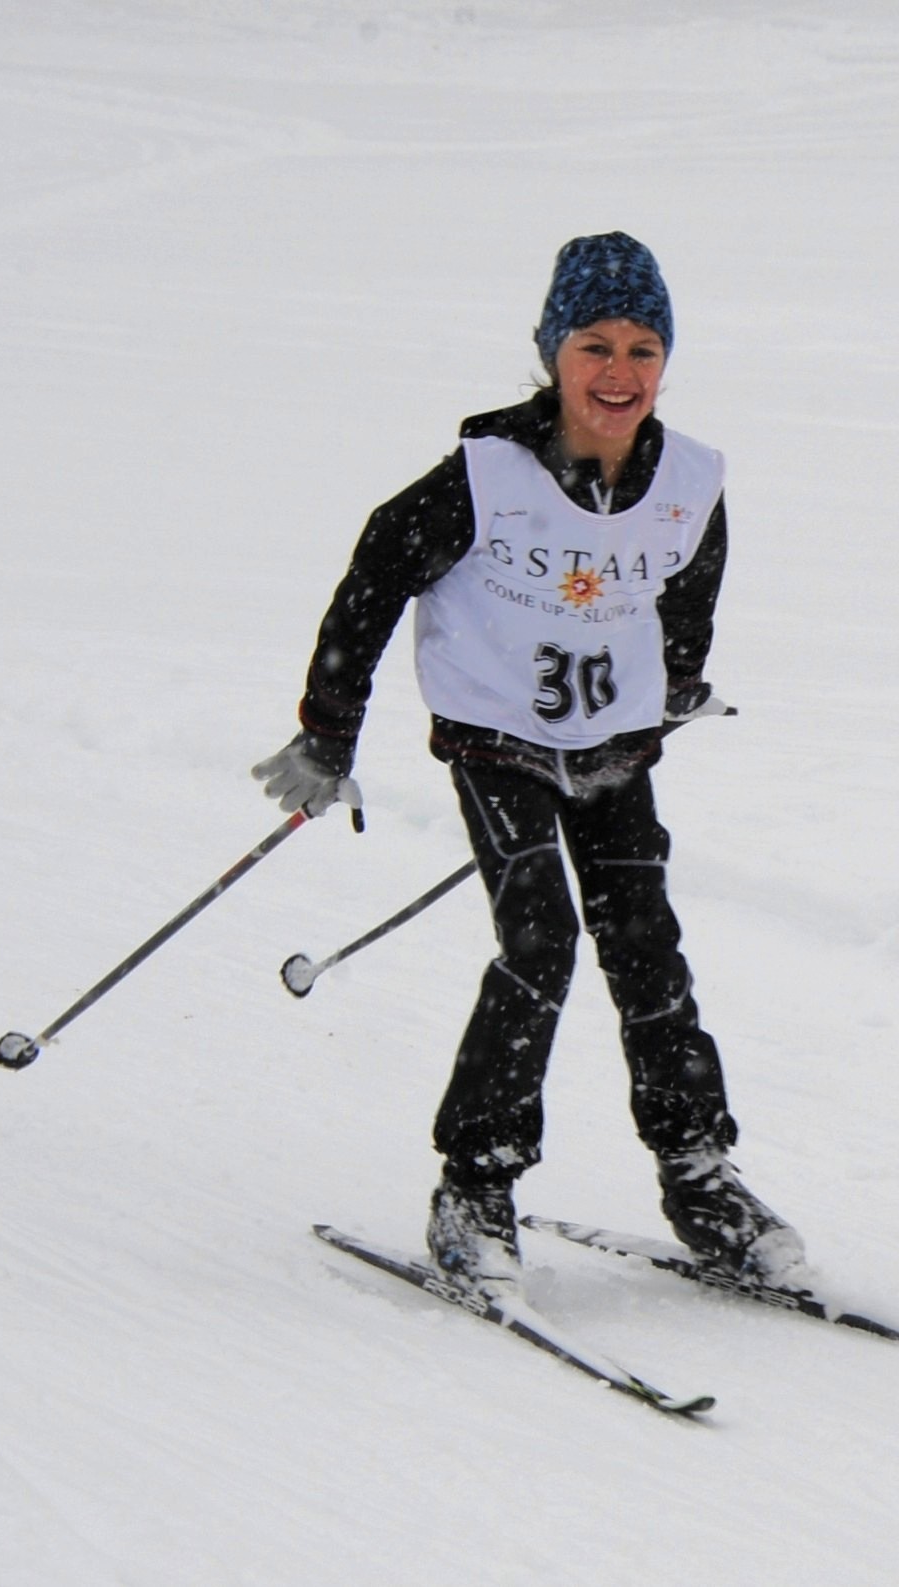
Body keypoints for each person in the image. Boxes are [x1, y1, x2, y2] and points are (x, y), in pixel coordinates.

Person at [254, 232, 805, 1298]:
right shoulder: (487, 478)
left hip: (613, 747)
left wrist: (678, 684)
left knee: (646, 945)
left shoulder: (690, 480)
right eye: (595, 346)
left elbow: (688, 591)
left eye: (644, 350)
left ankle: (700, 1176)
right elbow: (375, 576)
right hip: (496, 740)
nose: (620, 374)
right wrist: (328, 732)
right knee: (541, 940)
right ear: (553, 354)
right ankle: (475, 1187)